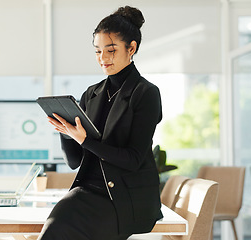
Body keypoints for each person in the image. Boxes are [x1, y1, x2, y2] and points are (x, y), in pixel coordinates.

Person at [38, 5, 163, 240]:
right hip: (86, 192)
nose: (103, 58)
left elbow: (133, 159)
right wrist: (66, 132)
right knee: (55, 225)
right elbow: (75, 162)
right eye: (97, 51)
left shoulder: (146, 93)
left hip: (125, 198)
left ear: (131, 48)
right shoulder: (91, 94)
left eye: (111, 50)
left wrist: (85, 139)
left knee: (58, 229)